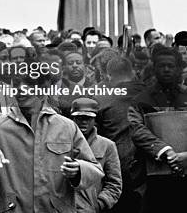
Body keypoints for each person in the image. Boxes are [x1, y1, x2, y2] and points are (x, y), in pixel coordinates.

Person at [0, 63, 104, 213]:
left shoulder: (67, 127)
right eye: (17, 83)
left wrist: (78, 170)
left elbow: (95, 169)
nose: (20, 89)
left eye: (28, 84)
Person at [127, 47, 187, 213]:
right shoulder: (142, 100)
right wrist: (166, 151)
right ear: (154, 69)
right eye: (162, 66)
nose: (166, 69)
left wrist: (185, 157)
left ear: (178, 68)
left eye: (171, 66)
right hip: (154, 177)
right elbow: (137, 130)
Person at [94, 56, 145, 213]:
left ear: (109, 76)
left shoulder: (101, 98)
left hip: (117, 168)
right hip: (151, 167)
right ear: (133, 72)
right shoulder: (150, 91)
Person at [70, 98, 122, 212]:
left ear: (95, 120)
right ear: (73, 119)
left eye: (88, 118)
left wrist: (98, 204)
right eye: (79, 118)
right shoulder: (62, 143)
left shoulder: (107, 145)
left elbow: (114, 184)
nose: (84, 122)